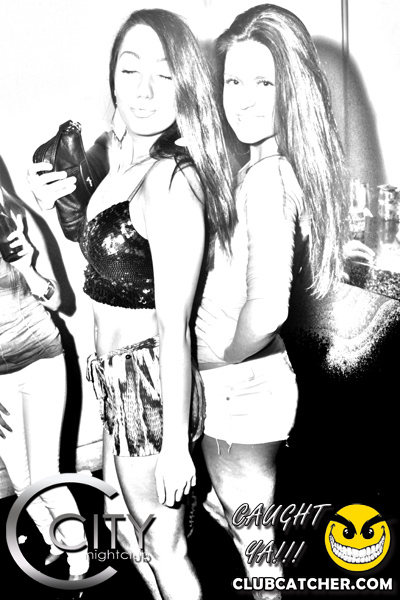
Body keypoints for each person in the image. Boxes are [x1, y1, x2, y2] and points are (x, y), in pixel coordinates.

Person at [28, 8, 236, 600]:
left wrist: (174, 446)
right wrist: (53, 204)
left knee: (165, 548)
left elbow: (174, 326)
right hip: (116, 381)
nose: (144, 90)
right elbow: (109, 259)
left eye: (164, 74)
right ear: (112, 77)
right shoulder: (124, 163)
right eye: (130, 69)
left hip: (151, 389)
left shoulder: (170, 181)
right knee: (131, 533)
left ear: (186, 84)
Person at [195, 5, 349, 599]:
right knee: (243, 525)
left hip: (240, 389)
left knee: (260, 565)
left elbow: (268, 309)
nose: (244, 100)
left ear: (293, 90)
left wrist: (222, 360)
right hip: (252, 388)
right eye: (233, 81)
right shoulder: (269, 169)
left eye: (265, 83)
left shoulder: (265, 179)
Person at [0, 182, 89, 581]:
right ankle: (56, 540)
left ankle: (79, 559)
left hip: (41, 359)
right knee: (21, 479)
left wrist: (28, 269)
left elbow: (60, 301)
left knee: (43, 479)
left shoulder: (17, 220)